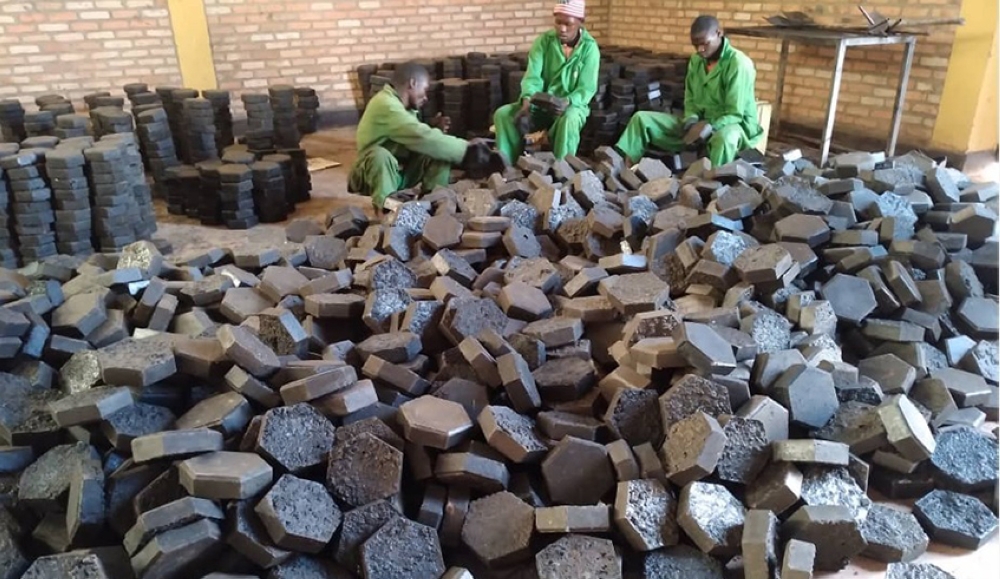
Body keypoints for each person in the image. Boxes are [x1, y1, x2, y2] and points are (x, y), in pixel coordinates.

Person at [615, 15, 763, 167]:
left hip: (732, 126)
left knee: (724, 139)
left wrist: (710, 127)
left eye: (705, 44)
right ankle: (625, 173)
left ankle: (711, 186)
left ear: (719, 33)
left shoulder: (738, 64)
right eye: (695, 45)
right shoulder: (696, 61)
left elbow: (734, 114)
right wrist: (691, 120)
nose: (700, 50)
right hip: (699, 123)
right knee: (641, 119)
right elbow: (690, 99)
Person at [349, 62, 483, 209]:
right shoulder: (385, 104)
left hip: (398, 171)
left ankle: (435, 202)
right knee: (380, 155)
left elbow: (411, 134)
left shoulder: (403, 107)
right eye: (424, 89)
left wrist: (431, 126)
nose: (425, 97)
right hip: (372, 174)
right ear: (413, 83)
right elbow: (419, 135)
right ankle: (386, 211)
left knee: (439, 152)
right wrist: (469, 152)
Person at [493, 0, 600, 162]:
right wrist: (527, 101)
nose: (562, 29)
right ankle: (508, 166)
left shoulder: (589, 49)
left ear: (580, 22)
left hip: (571, 106)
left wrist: (568, 101)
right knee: (503, 114)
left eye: (568, 24)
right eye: (558, 22)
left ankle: (563, 170)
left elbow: (586, 88)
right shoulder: (544, 42)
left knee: (569, 120)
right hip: (540, 105)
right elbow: (532, 76)